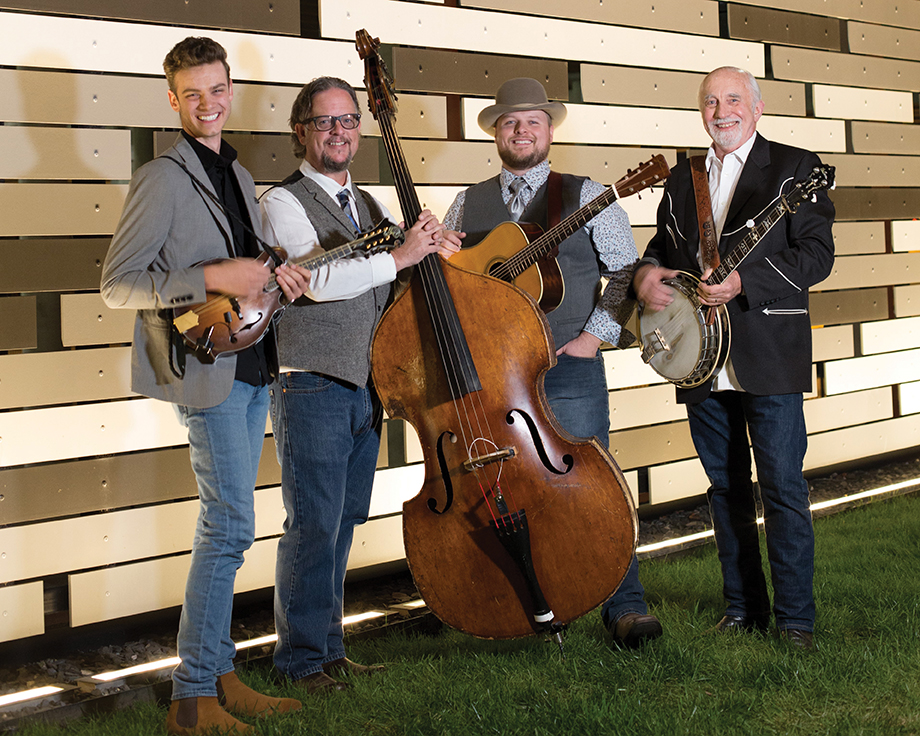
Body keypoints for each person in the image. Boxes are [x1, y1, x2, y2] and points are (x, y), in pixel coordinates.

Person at [101, 37, 310, 735]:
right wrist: (213, 277)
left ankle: (220, 675)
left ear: (230, 90)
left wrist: (273, 278)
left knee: (228, 525)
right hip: (202, 371)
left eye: (216, 90)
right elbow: (117, 285)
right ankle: (191, 698)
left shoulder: (241, 175)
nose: (207, 104)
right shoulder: (161, 176)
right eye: (192, 94)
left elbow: (247, 271)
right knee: (229, 527)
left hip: (250, 363)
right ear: (173, 99)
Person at [442, 77, 662, 649]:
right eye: (510, 122)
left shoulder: (589, 193)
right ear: (496, 132)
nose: (521, 130)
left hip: (569, 364)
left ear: (549, 129)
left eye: (532, 121)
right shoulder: (467, 202)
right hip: (493, 375)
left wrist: (595, 337)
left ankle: (625, 604)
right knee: (510, 489)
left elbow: (623, 273)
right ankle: (535, 608)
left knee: (596, 484)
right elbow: (456, 283)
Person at [260, 76, 460, 693]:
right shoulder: (281, 202)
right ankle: (297, 662)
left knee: (343, 521)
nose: (340, 132)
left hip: (363, 384)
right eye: (325, 123)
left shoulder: (369, 206)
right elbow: (316, 281)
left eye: (349, 121)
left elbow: (380, 288)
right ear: (301, 132)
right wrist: (400, 255)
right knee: (313, 523)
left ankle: (329, 650)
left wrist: (430, 255)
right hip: (311, 383)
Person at [633, 66, 835, 650]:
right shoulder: (682, 178)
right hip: (699, 358)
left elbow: (817, 255)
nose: (722, 111)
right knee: (724, 487)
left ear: (757, 106)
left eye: (733, 99)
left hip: (767, 351)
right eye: (711, 102)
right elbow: (658, 252)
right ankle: (743, 606)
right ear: (701, 111)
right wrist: (648, 277)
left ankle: (796, 621)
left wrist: (745, 281)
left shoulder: (795, 168)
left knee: (782, 487)